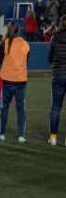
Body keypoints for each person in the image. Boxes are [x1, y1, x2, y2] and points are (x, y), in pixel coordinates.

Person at [0, 21, 30, 143]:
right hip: (21, 80)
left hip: (7, 80)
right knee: (21, 109)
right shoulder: (25, 44)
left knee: (4, 108)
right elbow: (26, 60)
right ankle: (21, 136)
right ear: (18, 31)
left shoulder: (5, 43)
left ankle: (1, 134)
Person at [47, 15, 66, 146]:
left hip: (58, 74)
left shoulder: (55, 37)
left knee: (55, 108)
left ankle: (53, 138)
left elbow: (49, 56)